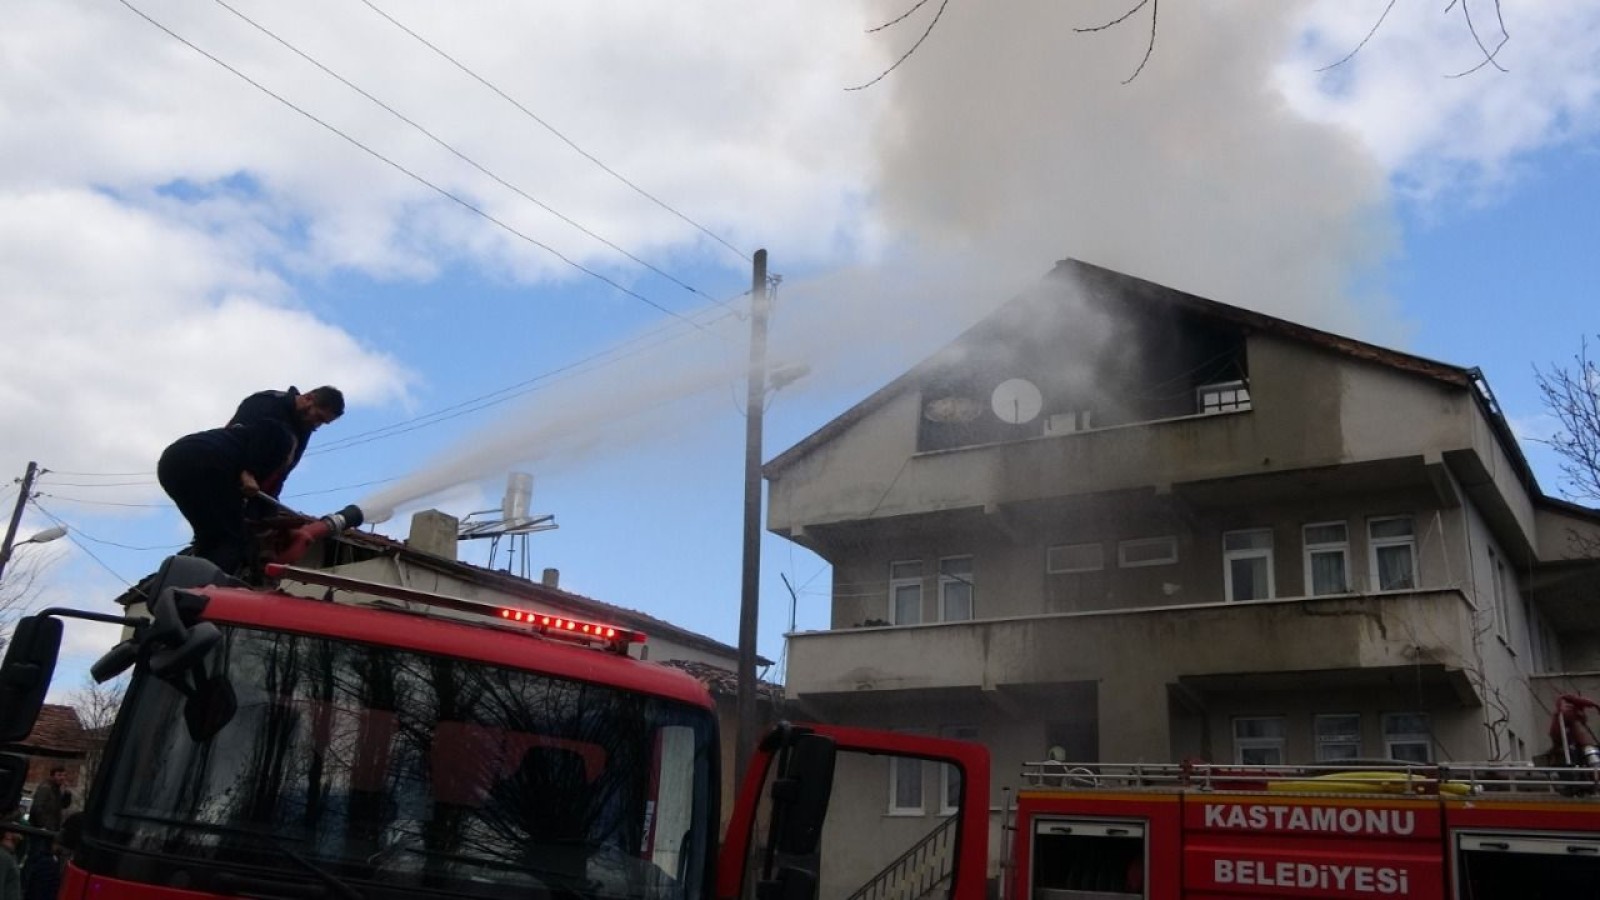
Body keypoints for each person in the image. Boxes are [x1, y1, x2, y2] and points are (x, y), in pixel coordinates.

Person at [158, 419, 297, 576]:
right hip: (209, 461)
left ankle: (194, 579)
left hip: (171, 463)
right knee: (231, 539)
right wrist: (250, 471)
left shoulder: (241, 437)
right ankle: (209, 587)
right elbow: (273, 432)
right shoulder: (283, 440)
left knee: (211, 533)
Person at [228, 386, 344, 498]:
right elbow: (232, 438)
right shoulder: (265, 402)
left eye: (323, 422)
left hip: (251, 492)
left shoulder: (304, 427)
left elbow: (282, 472)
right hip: (226, 473)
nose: (316, 424)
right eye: (319, 417)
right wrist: (246, 473)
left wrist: (269, 505)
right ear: (308, 398)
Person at [25, 769, 65, 834]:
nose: (62, 778)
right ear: (52, 776)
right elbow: (37, 807)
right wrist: (42, 825)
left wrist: (67, 795)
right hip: (41, 829)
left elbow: (61, 806)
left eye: (64, 775)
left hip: (50, 829)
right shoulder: (45, 788)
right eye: (59, 775)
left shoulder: (56, 790)